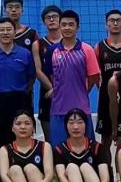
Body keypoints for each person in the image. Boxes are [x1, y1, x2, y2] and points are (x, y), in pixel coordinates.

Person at [43, 10, 100, 146]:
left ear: (77, 27)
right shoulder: (52, 50)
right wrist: (59, 89)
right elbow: (52, 76)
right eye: (64, 25)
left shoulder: (87, 49)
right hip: (58, 109)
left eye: (71, 24)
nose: (67, 28)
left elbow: (93, 76)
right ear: (59, 26)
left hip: (81, 108)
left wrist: (82, 91)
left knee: (86, 148)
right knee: (58, 150)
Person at [0, 18, 35, 151]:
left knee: (21, 142)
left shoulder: (25, 54)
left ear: (14, 32)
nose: (5, 33)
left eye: (9, 29)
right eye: (2, 30)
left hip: (20, 102)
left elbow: (31, 77)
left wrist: (22, 92)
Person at [53, 108, 111, 182]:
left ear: (86, 125)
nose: (75, 127)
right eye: (71, 123)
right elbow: (61, 177)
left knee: (85, 166)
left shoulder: (97, 147)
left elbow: (105, 178)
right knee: (72, 167)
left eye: (80, 122)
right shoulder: (60, 149)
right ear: (66, 126)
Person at [94, 9, 121, 151]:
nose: (115, 23)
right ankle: (105, 166)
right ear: (106, 25)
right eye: (112, 20)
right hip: (106, 99)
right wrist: (106, 91)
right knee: (105, 141)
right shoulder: (99, 47)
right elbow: (96, 75)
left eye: (118, 20)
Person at [32, 5, 61, 142]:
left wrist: (60, 90)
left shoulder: (69, 41)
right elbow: (38, 70)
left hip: (67, 94)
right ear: (44, 22)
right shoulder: (38, 44)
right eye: (48, 17)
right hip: (47, 93)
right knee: (50, 140)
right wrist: (52, 89)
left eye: (54, 17)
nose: (51, 19)